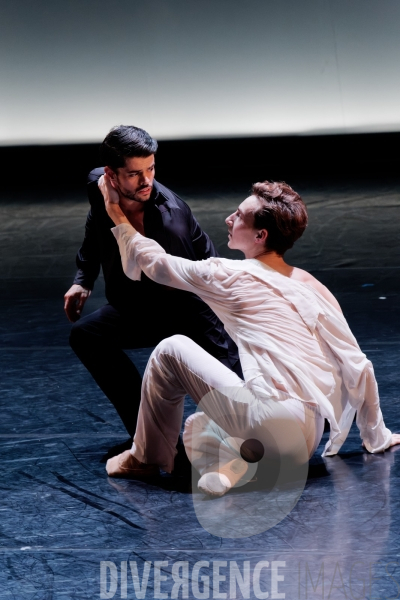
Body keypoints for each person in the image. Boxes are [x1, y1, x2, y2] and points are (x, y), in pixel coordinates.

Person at [100, 175, 400, 497]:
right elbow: (358, 363)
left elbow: (155, 264)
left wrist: (116, 213)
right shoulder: (313, 286)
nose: (229, 219)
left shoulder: (228, 275)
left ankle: (144, 457)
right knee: (233, 413)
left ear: (260, 235)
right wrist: (376, 436)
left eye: (239, 216)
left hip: (268, 421)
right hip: (306, 440)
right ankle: (243, 463)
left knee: (170, 350)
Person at [63, 125, 240, 457]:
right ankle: (147, 434)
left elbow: (193, 284)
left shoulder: (169, 218)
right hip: (137, 305)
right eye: (134, 174)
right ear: (110, 176)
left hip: (189, 306)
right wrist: (83, 278)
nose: (146, 181)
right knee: (86, 336)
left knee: (241, 405)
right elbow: (96, 226)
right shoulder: (96, 185)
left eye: (151, 170)